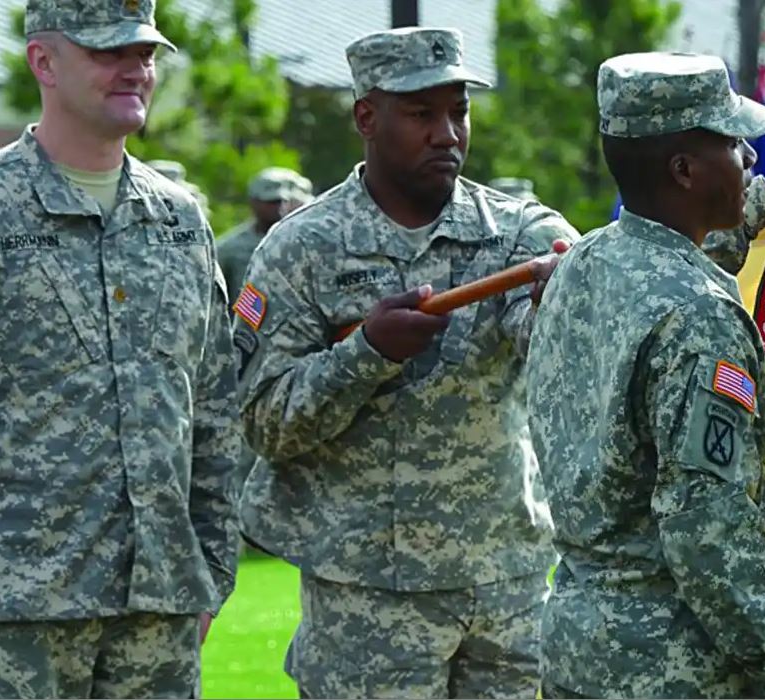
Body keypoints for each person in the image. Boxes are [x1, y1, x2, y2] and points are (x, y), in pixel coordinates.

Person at [0, 0, 242, 696]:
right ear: (44, 62)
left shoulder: (181, 221)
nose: (133, 69)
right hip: (8, 606)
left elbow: (210, 405)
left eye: (144, 54)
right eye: (107, 52)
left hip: (159, 603)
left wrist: (209, 565)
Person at [234, 27, 573, 699]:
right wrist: (365, 354)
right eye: (422, 113)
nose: (447, 133)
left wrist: (562, 307)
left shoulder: (518, 236)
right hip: (366, 598)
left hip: (502, 588)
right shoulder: (304, 248)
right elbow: (264, 421)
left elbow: (578, 352)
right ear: (367, 115)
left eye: (458, 111)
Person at [524, 51, 765, 699]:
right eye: (732, 144)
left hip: (578, 642)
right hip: (674, 663)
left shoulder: (582, 262)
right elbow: (705, 525)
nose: (750, 159)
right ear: (683, 169)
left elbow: (663, 273)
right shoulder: (699, 316)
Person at [215, 167, 304, 296]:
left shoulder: (301, 241)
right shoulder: (230, 248)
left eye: (281, 201)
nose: (277, 207)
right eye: (270, 202)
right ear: (253, 202)